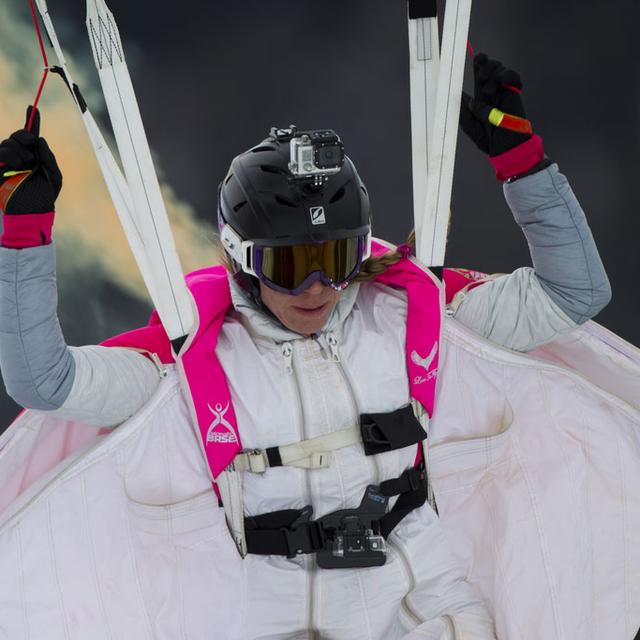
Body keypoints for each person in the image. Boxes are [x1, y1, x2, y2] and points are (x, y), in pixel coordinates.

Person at [0, 55, 614, 639]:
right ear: (243, 260)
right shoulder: (191, 365)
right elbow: (44, 382)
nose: (318, 288)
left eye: (336, 258)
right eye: (290, 265)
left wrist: (522, 162)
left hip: (425, 607)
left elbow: (574, 292)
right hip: (277, 621)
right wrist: (23, 235)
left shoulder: (414, 316)